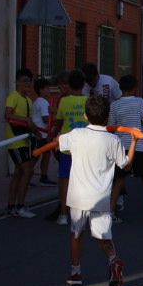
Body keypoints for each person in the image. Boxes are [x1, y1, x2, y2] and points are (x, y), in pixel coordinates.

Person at [58, 93, 134, 286]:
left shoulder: (76, 135)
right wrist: (133, 142)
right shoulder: (112, 140)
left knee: (76, 234)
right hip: (100, 197)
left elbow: (60, 144)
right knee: (102, 236)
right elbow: (125, 165)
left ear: (85, 116)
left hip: (77, 196)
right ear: (107, 117)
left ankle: (76, 272)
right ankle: (113, 261)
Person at [110, 75, 143, 224]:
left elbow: (111, 125)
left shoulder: (114, 105)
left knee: (120, 179)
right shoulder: (139, 102)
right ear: (135, 88)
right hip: (139, 146)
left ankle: (110, 213)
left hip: (121, 146)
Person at [51, 71, 89, 225]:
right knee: (84, 180)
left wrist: (53, 135)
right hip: (85, 147)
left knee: (64, 180)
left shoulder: (64, 102)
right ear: (83, 85)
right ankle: (82, 213)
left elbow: (58, 123)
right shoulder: (89, 101)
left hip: (67, 146)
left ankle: (62, 214)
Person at [5, 68, 36, 218]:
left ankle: (12, 206)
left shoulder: (29, 100)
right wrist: (25, 121)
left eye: (29, 82)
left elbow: (29, 122)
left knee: (19, 172)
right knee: (27, 170)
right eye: (24, 81)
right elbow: (8, 115)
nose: (27, 85)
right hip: (15, 141)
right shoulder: (13, 96)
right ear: (17, 82)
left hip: (24, 140)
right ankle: (20, 206)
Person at [30, 76, 55, 187]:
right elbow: (46, 119)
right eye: (46, 88)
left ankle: (31, 176)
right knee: (41, 156)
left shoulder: (37, 102)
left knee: (43, 154)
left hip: (40, 133)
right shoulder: (43, 102)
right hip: (42, 134)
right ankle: (41, 176)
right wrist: (57, 121)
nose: (49, 91)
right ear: (41, 90)